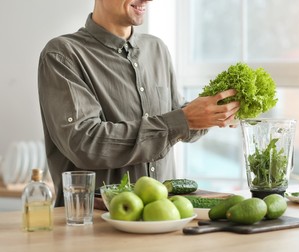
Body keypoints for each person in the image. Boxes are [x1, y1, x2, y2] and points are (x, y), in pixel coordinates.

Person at [38, 0, 239, 207]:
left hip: (164, 217)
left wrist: (213, 113)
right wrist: (182, 120)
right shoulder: (63, 54)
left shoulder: (156, 49)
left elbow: (177, 118)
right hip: (95, 224)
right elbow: (85, 143)